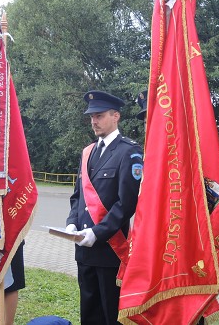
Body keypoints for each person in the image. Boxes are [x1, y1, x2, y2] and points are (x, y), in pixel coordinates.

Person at [66, 90, 143, 325]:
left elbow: (126, 203)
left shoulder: (129, 151)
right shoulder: (88, 152)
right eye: (91, 117)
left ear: (116, 116)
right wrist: (71, 223)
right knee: (89, 313)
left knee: (111, 314)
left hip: (110, 249)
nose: (94, 121)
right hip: (84, 249)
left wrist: (97, 232)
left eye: (99, 115)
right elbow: (78, 195)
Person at [135, 89, 219, 224]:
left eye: (157, 120)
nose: (151, 127)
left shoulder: (203, 157)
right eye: (147, 122)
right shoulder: (149, 161)